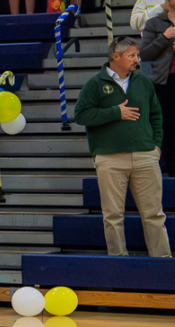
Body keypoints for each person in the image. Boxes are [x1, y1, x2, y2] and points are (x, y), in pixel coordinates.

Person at [73, 38, 170, 259]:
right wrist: (115, 112)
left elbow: (156, 115)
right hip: (110, 158)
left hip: (146, 156)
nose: (137, 59)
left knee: (154, 214)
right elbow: (81, 115)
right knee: (113, 216)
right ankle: (118, 263)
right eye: (132, 55)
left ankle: (162, 261)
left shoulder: (143, 82)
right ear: (115, 57)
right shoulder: (95, 84)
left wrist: (155, 146)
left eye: (137, 55)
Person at [140, 0, 175, 175]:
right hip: (165, 81)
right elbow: (144, 54)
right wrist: (165, 37)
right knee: (167, 125)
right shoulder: (154, 23)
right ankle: (169, 167)